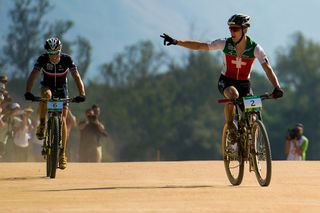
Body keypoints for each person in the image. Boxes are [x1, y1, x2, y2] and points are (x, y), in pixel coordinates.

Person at [161, 14, 284, 147]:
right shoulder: (225, 43)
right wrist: (176, 42)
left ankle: (252, 147)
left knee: (253, 113)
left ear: (245, 30)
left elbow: (268, 69)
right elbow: (200, 46)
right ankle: (230, 126)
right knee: (233, 95)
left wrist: (277, 87)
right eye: (230, 28)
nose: (232, 32)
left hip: (244, 85)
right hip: (226, 82)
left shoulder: (255, 48)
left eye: (235, 29)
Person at [24, 37, 86, 169]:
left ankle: (62, 154)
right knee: (46, 96)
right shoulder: (42, 59)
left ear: (60, 50)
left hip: (62, 89)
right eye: (50, 53)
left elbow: (76, 76)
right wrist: (28, 91)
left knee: (63, 119)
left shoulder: (67, 59)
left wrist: (82, 94)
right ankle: (42, 124)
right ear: (47, 52)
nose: (53, 56)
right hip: (47, 87)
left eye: (56, 53)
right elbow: (33, 75)